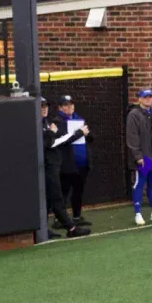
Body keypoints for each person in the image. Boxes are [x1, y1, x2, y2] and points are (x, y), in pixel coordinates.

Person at [41, 97, 90, 238]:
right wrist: (52, 132)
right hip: (52, 167)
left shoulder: (46, 122)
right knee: (57, 198)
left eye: (45, 106)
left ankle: (67, 225)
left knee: (53, 199)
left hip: (59, 165)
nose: (44, 108)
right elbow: (50, 143)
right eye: (41, 106)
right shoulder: (50, 123)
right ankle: (70, 228)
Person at [126, 88, 152, 226]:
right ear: (139, 99)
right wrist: (138, 156)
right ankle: (137, 213)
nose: (149, 99)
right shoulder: (134, 114)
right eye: (145, 97)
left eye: (150, 96)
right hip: (145, 157)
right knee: (140, 183)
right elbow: (132, 137)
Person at [55, 95, 93, 228]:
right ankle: (60, 219)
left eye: (71, 104)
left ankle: (77, 217)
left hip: (81, 163)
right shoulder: (57, 122)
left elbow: (91, 138)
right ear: (60, 107)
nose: (69, 106)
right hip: (67, 164)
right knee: (64, 192)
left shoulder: (79, 119)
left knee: (78, 191)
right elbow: (61, 141)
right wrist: (80, 133)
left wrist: (87, 133)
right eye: (65, 104)